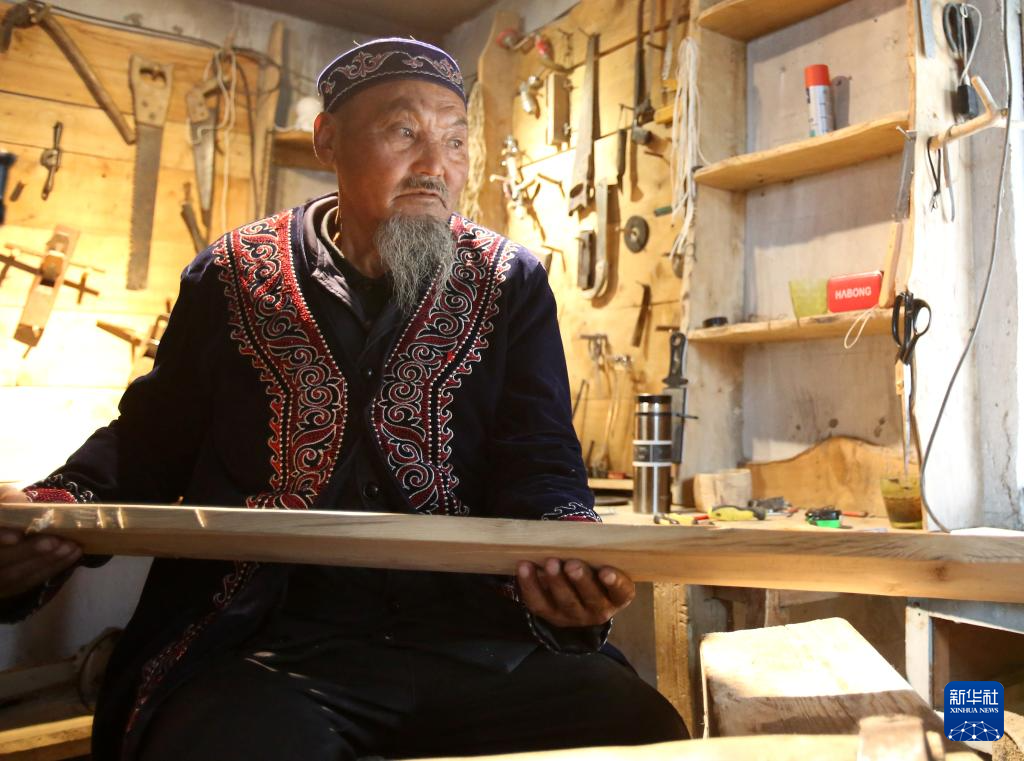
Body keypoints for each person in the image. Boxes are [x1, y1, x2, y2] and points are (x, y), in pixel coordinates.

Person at [0, 38, 688, 760]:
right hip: (263, 646)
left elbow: (539, 456)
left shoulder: (509, 280)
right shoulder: (231, 275)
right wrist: (53, 506)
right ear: (328, 139)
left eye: (456, 140)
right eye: (404, 131)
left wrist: (569, 554)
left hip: (471, 638)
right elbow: (149, 443)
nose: (436, 165)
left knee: (636, 726)